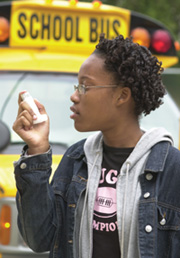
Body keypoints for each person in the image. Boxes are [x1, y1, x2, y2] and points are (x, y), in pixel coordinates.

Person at [13, 34, 180, 258]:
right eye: (76, 85)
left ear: (122, 95)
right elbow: (39, 239)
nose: (73, 96)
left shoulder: (171, 167)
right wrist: (37, 150)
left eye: (85, 86)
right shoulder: (76, 158)